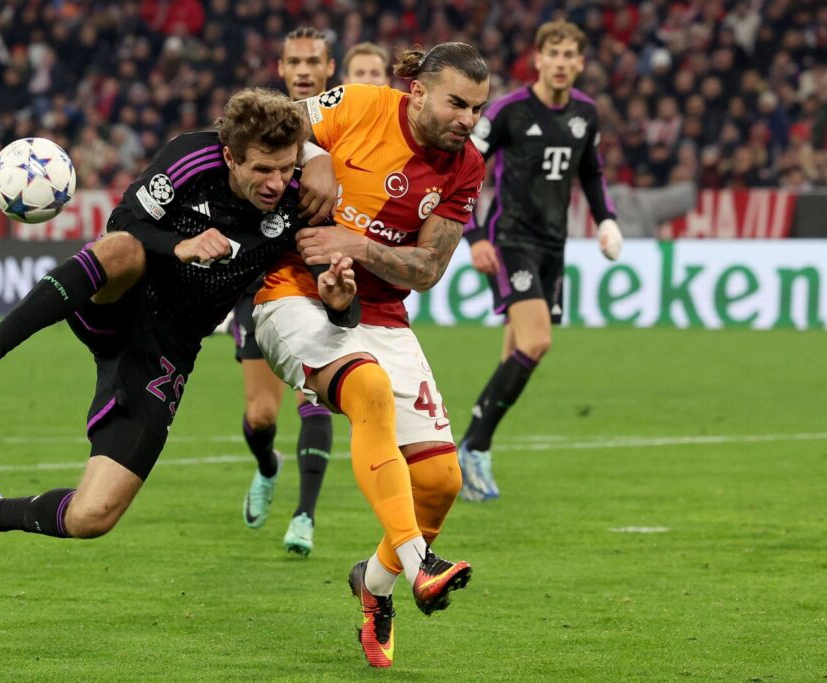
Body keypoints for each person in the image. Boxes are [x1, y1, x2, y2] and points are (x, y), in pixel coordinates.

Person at [0, 88, 353, 581]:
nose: (276, 182)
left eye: (285, 167)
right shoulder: (191, 158)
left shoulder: (303, 201)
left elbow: (341, 306)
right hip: (124, 300)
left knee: (93, 516)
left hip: (168, 350)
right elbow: (122, 223)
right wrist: (180, 246)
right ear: (231, 156)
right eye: (262, 169)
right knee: (122, 248)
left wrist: (341, 304)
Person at [253, 43, 490, 668]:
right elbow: (270, 124)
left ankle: (375, 583)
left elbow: (428, 268)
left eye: (477, 108)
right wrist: (313, 157)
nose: (468, 119)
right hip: (293, 292)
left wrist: (356, 245)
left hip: (382, 313)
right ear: (419, 92)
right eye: (457, 104)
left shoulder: (466, 165)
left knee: (440, 482)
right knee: (368, 389)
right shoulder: (358, 105)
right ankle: (421, 565)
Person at [457, 20, 623, 501]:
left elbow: (591, 173)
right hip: (511, 240)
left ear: (581, 63)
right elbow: (464, 168)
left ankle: (474, 452)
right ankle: (473, 447)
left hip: (554, 246)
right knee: (538, 341)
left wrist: (606, 220)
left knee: (515, 354)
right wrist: (474, 237)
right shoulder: (509, 111)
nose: (562, 62)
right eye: (554, 53)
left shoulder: (586, 114)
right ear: (539, 59)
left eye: (570, 54)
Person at [233, 27, 337, 557]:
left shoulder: (342, 128)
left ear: (329, 68)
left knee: (314, 395)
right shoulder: (262, 125)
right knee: (261, 417)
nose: (303, 70)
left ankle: (305, 515)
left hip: (313, 276)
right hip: (256, 278)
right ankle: (267, 465)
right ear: (280, 68)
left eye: (312, 61)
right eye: (294, 61)